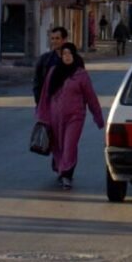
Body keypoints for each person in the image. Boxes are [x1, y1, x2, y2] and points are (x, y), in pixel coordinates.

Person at [35, 42, 104, 190]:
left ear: (74, 55)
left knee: (69, 145)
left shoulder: (81, 75)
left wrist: (98, 117)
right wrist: (42, 115)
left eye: (69, 54)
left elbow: (91, 97)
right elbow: (45, 95)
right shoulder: (54, 72)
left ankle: (66, 174)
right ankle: (61, 168)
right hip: (54, 117)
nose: (67, 57)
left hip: (75, 117)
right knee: (57, 146)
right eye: (64, 54)